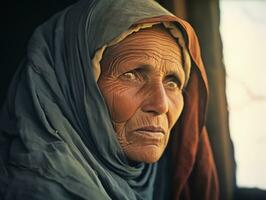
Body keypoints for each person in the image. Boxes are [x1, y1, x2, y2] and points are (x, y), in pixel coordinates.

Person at [0, 0, 219, 199]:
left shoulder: (164, 175)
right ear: (74, 86)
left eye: (172, 83)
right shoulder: (43, 189)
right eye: (131, 75)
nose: (161, 105)